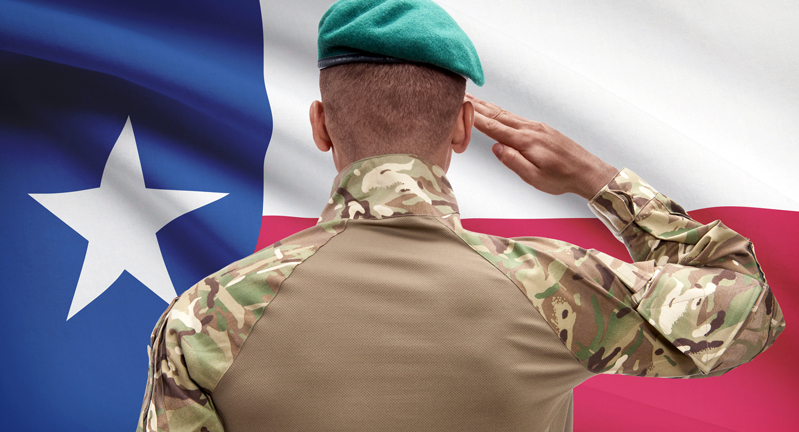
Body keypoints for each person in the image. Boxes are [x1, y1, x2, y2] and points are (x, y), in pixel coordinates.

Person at [137, 0, 785, 431]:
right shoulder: (555, 287)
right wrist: (599, 181)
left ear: (320, 125)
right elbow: (749, 308)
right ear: (464, 128)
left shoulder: (206, 316)